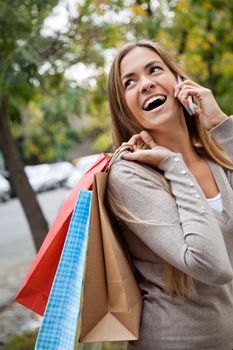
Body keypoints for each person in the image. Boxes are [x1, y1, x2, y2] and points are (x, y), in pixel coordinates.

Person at [106, 39, 233, 350]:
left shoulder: (215, 158)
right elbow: (211, 265)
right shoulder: (128, 175)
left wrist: (221, 127)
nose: (146, 84)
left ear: (179, 81)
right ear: (123, 106)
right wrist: (173, 165)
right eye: (130, 82)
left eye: (154, 70)